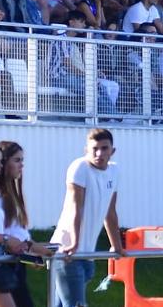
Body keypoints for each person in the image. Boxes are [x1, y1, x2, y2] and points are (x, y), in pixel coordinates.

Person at [50, 129, 125, 307]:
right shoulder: (80, 167)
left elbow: (110, 211)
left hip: (87, 253)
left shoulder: (114, 171)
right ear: (86, 150)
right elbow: (77, 207)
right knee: (76, 304)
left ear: (112, 151)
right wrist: (75, 243)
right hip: (68, 250)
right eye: (94, 149)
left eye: (104, 148)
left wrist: (116, 244)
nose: (99, 154)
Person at [0, 140, 40, 307]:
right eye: (17, 160)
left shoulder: (7, 192)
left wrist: (31, 248)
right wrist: (13, 243)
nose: (21, 165)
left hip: (9, 259)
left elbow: (17, 232)